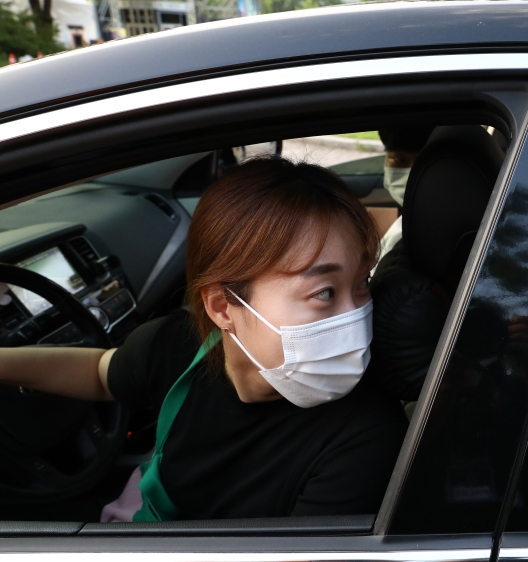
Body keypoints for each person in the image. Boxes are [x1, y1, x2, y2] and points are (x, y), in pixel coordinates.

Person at [0, 158, 408, 521]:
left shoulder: (366, 440)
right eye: (324, 292)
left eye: (361, 284)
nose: (354, 316)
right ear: (222, 308)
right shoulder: (178, 347)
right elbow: (100, 373)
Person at [376, 127, 434, 263]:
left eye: (424, 161)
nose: (412, 173)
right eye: (399, 160)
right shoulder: (408, 222)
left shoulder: (418, 239)